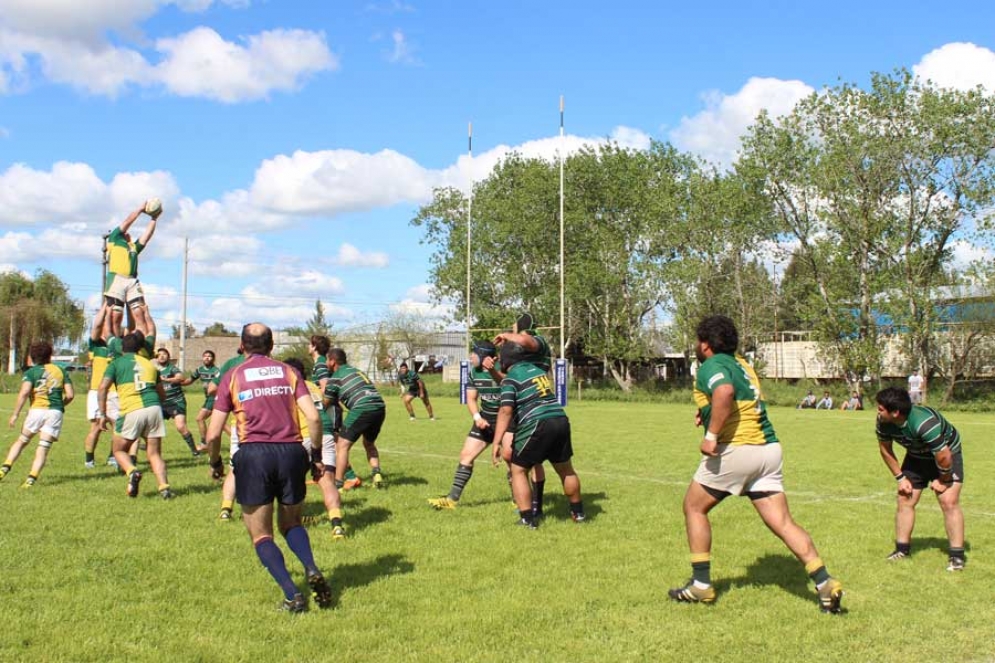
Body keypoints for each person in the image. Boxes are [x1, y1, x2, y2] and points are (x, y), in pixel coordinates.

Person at [667, 315, 843, 613]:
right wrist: (708, 413)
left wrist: (711, 435)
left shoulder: (711, 365)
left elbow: (724, 393)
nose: (697, 345)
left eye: (698, 340)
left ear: (706, 344)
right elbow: (738, 401)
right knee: (783, 522)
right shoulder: (742, 364)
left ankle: (700, 586)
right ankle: (824, 582)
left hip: (738, 449)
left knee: (694, 507)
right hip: (768, 449)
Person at [205, 323, 333, 612]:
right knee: (292, 523)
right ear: (272, 345)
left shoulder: (233, 375)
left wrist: (215, 462)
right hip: (291, 453)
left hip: (254, 455)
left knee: (261, 534)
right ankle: (311, 567)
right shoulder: (290, 372)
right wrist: (314, 457)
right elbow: (313, 419)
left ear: (242, 346)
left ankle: (292, 595)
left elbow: (213, 433)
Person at [490, 340, 584, 528]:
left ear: (507, 359)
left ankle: (527, 519)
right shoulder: (538, 371)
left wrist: (496, 442)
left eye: (501, 358)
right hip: (560, 419)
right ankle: (578, 513)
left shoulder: (510, 379)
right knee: (566, 470)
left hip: (537, 423)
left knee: (518, 470)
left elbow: (506, 411)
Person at [875, 387, 966, 571]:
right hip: (916, 456)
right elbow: (885, 449)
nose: (878, 411)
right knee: (904, 498)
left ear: (895, 412)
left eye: (881, 408)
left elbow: (944, 455)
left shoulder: (924, 423)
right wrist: (900, 478)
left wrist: (944, 479)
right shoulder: (883, 422)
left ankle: (957, 557)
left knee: (948, 501)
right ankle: (902, 550)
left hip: (946, 455)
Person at [429, 340, 504, 509]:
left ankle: (519, 502)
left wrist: (493, 370)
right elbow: (471, 398)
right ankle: (451, 500)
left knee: (512, 460)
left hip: (508, 422)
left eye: (474, 353)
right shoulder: (474, 372)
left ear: (484, 355)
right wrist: (477, 417)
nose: (471, 356)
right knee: (466, 456)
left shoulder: (503, 367)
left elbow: (508, 384)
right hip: (485, 420)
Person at [97, 332, 173, 499]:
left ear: (121, 347)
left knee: (118, 450)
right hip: (153, 408)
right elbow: (162, 394)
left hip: (132, 409)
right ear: (139, 349)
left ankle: (132, 471)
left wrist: (102, 413)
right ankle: (164, 488)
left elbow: (102, 388)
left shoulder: (116, 363)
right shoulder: (150, 365)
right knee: (154, 454)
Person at [284, 358, 346, 540]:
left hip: (302, 435)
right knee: (327, 481)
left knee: (294, 482)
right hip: (325, 433)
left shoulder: (287, 386)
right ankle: (336, 524)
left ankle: (295, 521)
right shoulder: (313, 386)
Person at [0, 341, 74, 487]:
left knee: (22, 441)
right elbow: (70, 395)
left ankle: (4, 469)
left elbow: (24, 393)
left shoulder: (31, 372)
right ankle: (30, 480)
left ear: (33, 357)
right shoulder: (61, 371)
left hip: (36, 411)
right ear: (50, 355)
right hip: (55, 413)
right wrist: (59, 406)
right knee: (43, 447)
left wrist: (15, 414)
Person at [323, 348, 387, 490]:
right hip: (379, 406)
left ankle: (338, 484)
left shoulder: (335, 377)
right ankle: (377, 475)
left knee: (341, 446)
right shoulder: (357, 371)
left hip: (362, 408)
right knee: (369, 443)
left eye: (327, 360)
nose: (326, 363)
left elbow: (325, 403)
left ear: (333, 361)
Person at [309, 335, 360, 490]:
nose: (307, 347)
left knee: (334, 442)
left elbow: (325, 387)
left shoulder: (320, 364)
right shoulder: (320, 363)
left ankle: (351, 477)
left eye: (309, 344)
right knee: (332, 441)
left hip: (329, 408)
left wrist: (320, 407)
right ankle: (322, 475)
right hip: (328, 407)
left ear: (314, 347)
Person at [104, 200, 159, 338]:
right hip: (116, 278)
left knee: (139, 313)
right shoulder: (114, 238)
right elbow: (127, 221)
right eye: (126, 231)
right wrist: (140, 209)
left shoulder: (133, 247)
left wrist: (154, 218)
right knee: (116, 315)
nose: (128, 232)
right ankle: (115, 345)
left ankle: (140, 345)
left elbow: (146, 237)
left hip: (132, 280)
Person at [83, 303, 120, 468]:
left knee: (117, 426)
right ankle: (89, 459)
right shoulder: (96, 346)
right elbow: (97, 325)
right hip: (96, 391)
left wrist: (114, 313)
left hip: (114, 392)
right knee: (96, 426)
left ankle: (113, 456)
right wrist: (106, 307)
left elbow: (117, 327)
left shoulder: (119, 346)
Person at [155, 348, 200, 456]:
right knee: (152, 426)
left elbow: (180, 377)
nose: (161, 356)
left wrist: (166, 379)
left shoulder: (172, 368)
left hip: (176, 401)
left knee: (180, 427)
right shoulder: (154, 371)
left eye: (164, 354)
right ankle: (151, 447)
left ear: (168, 357)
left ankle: (195, 451)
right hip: (161, 403)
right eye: (159, 354)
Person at [190, 351, 221, 451]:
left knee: (200, 418)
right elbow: (189, 380)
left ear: (213, 358)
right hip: (208, 398)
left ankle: (204, 443)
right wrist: (178, 382)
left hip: (214, 398)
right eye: (205, 356)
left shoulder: (217, 371)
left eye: (209, 356)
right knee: (221, 424)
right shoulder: (200, 370)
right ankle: (238, 442)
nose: (207, 358)